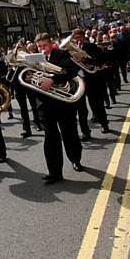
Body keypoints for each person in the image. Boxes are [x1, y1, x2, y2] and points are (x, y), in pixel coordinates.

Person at [35, 33, 84, 184]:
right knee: (50, 138)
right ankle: (54, 172)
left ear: (51, 44)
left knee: (70, 133)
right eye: (40, 47)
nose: (43, 49)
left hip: (63, 103)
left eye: (45, 46)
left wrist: (52, 79)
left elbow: (71, 71)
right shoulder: (35, 58)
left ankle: (75, 160)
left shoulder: (61, 54)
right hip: (44, 104)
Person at [71, 29, 110, 134]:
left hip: (91, 79)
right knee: (81, 109)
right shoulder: (70, 51)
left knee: (97, 104)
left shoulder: (91, 47)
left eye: (79, 37)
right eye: (75, 38)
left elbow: (100, 60)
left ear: (83, 37)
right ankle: (85, 132)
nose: (77, 40)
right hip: (79, 81)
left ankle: (104, 124)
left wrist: (85, 60)